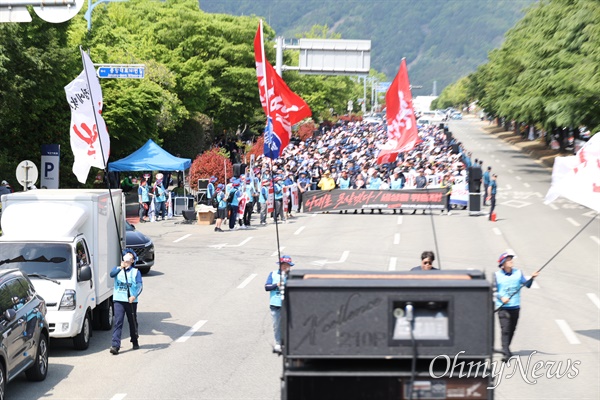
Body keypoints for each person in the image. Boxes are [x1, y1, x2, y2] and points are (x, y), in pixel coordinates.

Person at [493, 250, 539, 362]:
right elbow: (493, 290)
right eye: (508, 260)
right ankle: (506, 353)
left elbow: (527, 285)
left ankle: (506, 348)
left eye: (511, 259)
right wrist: (501, 297)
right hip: (503, 308)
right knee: (505, 329)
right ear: (503, 263)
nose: (511, 261)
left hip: (515, 307)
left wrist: (532, 278)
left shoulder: (518, 273)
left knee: (512, 329)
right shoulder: (497, 276)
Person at [109, 250, 143, 355]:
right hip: (119, 300)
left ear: (132, 261)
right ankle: (115, 345)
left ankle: (134, 339)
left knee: (132, 321)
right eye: (126, 258)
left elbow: (140, 286)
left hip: (131, 301)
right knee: (118, 322)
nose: (127, 260)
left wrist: (134, 296)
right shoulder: (117, 269)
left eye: (130, 258)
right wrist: (121, 267)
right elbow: (111, 274)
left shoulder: (136, 272)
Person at [265, 255, 294, 352]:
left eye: (287, 265)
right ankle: (278, 343)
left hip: (288, 304)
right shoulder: (273, 274)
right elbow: (267, 287)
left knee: (289, 325)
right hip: (275, 305)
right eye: (283, 265)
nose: (285, 267)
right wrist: (276, 285)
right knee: (277, 325)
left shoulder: (292, 276)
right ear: (280, 265)